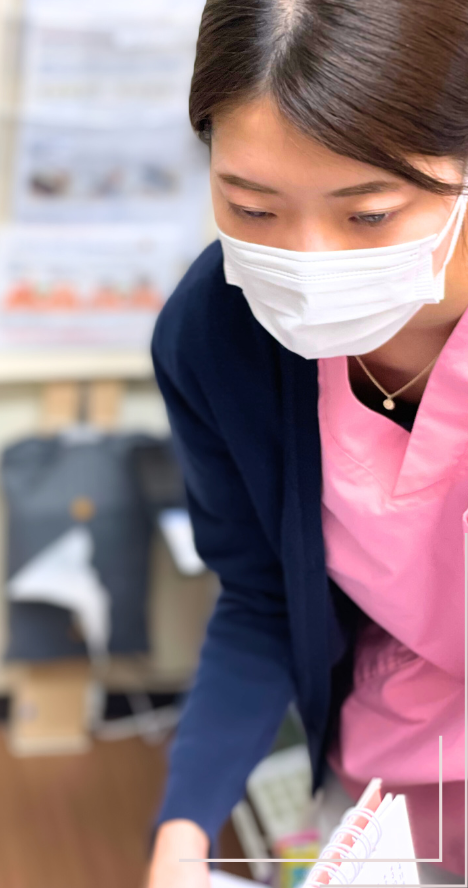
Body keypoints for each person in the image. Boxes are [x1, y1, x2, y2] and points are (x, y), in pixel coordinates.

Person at [146, 0, 468, 885]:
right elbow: (261, 600)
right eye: (252, 208)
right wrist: (184, 828)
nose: (310, 260)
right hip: (398, 776)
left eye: (366, 216)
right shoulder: (218, 332)